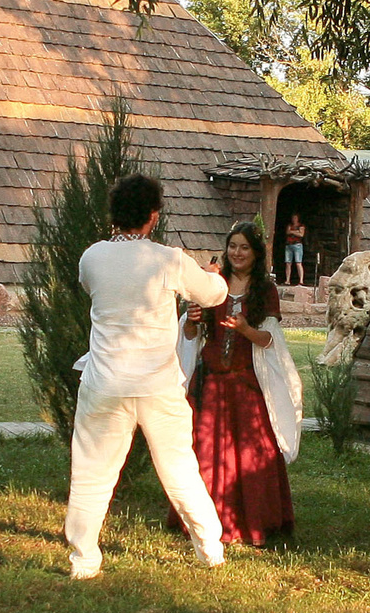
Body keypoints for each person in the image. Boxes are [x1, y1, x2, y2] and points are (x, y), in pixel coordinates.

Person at [63, 173, 230, 579]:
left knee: (91, 473)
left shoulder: (92, 257)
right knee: (179, 469)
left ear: (114, 214)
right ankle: (210, 549)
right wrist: (212, 274)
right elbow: (214, 295)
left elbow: (92, 286)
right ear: (154, 216)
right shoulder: (169, 260)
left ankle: (84, 560)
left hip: (104, 383)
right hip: (158, 387)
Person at [175, 220, 301, 548]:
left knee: (251, 451)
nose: (237, 253)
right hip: (211, 382)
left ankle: (252, 521)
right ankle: (204, 521)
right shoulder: (213, 285)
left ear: (256, 253)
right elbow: (191, 334)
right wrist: (191, 321)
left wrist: (245, 330)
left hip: (247, 383)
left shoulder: (264, 290)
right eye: (233, 246)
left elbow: (269, 340)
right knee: (205, 447)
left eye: (244, 247)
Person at [280, 212, 308, 288]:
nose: (294, 219)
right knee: (288, 263)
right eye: (293, 218)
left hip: (297, 245)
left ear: (298, 218)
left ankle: (301, 280)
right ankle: (287, 280)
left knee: (298, 262)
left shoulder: (301, 226)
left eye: (295, 218)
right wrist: (296, 232)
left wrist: (292, 232)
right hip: (289, 245)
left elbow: (301, 234)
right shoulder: (290, 225)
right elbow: (287, 232)